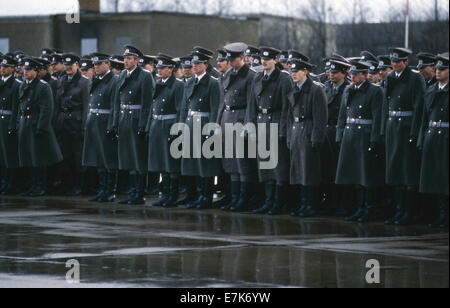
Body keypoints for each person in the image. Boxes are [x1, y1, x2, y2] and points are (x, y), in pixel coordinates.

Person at [335, 60, 385, 223]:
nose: (353, 77)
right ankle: (359, 208)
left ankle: (369, 208)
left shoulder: (375, 91)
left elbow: (378, 117)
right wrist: (340, 135)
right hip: (350, 135)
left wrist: (375, 139)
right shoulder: (349, 90)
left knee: (366, 176)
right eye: (352, 74)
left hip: (365, 135)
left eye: (356, 74)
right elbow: (343, 115)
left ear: (364, 75)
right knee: (355, 175)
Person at [246, 46, 293, 215]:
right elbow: (252, 104)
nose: (264, 62)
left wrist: (283, 130)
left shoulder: (283, 79)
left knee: (278, 166)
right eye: (262, 59)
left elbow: (287, 107)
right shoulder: (258, 77)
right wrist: (250, 126)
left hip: (275, 121)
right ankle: (268, 201)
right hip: (260, 122)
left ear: (275, 61)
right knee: (264, 166)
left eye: (268, 59)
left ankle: (278, 202)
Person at [382, 47, 426, 226]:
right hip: (393, 126)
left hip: (407, 126)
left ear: (406, 62)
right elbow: (386, 103)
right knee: (395, 172)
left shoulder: (415, 78)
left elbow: (419, 107)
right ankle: (398, 210)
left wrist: (414, 132)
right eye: (392, 62)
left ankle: (408, 212)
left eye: (398, 62)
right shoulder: (390, 78)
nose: (394, 64)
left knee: (408, 172)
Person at [215, 42, 257, 212]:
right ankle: (234, 197)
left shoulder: (250, 76)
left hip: (241, 117)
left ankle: (244, 198)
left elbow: (251, 104)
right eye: (228, 59)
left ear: (242, 58)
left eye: (233, 59)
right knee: (230, 162)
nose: (230, 62)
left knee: (243, 163)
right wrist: (218, 123)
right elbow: (222, 102)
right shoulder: (227, 75)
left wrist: (248, 126)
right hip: (228, 117)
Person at [179, 46, 222, 210]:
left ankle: (206, 196)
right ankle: (193, 195)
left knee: (206, 164)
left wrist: (211, 130)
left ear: (205, 65)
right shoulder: (189, 82)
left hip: (204, 123)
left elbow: (214, 108)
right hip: (190, 123)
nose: (194, 67)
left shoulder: (212, 83)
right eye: (193, 64)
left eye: (198, 64)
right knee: (191, 162)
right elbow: (184, 107)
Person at [285, 56, 327, 217]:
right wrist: (289, 136)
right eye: (291, 71)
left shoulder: (316, 89)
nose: (293, 74)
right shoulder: (294, 88)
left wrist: (317, 138)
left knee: (309, 170)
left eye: (296, 71)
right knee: (298, 170)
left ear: (306, 72)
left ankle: (311, 204)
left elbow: (320, 117)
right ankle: (303, 203)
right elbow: (289, 115)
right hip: (296, 129)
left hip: (308, 129)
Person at [114, 45, 154, 205]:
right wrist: (116, 122)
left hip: (136, 119)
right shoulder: (123, 75)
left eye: (129, 59)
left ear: (137, 61)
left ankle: (139, 193)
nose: (125, 61)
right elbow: (118, 100)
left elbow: (147, 104)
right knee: (128, 158)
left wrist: (143, 125)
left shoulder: (144, 76)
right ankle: (132, 192)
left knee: (138, 159)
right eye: (124, 58)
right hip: (125, 119)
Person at [17, 57, 63, 196]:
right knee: (28, 157)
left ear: (36, 71)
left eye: (29, 70)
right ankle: (33, 184)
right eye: (25, 69)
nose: (25, 72)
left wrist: (41, 127)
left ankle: (40, 185)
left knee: (39, 158)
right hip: (25, 122)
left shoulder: (43, 86)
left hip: (36, 123)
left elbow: (46, 109)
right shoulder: (23, 85)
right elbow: (20, 106)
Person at [145, 53, 184, 208]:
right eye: (158, 68)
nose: (159, 71)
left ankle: (172, 196)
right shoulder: (158, 82)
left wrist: (177, 129)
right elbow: (152, 107)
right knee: (161, 163)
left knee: (171, 164)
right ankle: (165, 195)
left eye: (162, 68)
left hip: (169, 125)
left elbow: (180, 109)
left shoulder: (178, 85)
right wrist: (149, 126)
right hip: (157, 125)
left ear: (171, 69)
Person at [82, 53, 119, 203]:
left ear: (107, 64)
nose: (96, 67)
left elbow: (115, 105)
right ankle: (102, 189)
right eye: (95, 65)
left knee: (108, 158)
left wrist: (112, 125)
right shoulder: (96, 80)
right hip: (94, 122)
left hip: (105, 122)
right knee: (98, 158)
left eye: (99, 64)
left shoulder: (114, 81)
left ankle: (110, 191)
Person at [418, 52, 449, 229]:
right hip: (433, 136)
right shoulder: (431, 90)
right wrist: (422, 139)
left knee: (445, 179)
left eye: (443, 69)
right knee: (435, 179)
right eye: (437, 68)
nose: (438, 72)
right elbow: (424, 118)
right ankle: (440, 215)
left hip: (446, 138)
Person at [54, 53, 91, 196]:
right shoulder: (61, 80)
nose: (68, 68)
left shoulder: (84, 82)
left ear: (77, 65)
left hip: (76, 121)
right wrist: (56, 122)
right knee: (64, 156)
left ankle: (79, 185)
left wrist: (83, 127)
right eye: (66, 65)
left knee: (78, 157)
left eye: (71, 65)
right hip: (63, 121)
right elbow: (57, 103)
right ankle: (67, 184)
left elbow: (86, 105)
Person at [318, 59, 351, 216]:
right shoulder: (326, 89)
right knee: (327, 171)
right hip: (327, 132)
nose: (331, 75)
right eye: (330, 72)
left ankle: (342, 204)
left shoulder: (348, 89)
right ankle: (329, 203)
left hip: (340, 132)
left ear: (344, 73)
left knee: (341, 171)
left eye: (335, 72)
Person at [0, 55, 21, 195]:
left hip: (8, 121)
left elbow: (15, 109)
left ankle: (10, 182)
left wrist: (12, 126)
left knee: (9, 155)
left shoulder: (16, 84)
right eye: (1, 66)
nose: (2, 69)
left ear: (13, 69)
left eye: (6, 67)